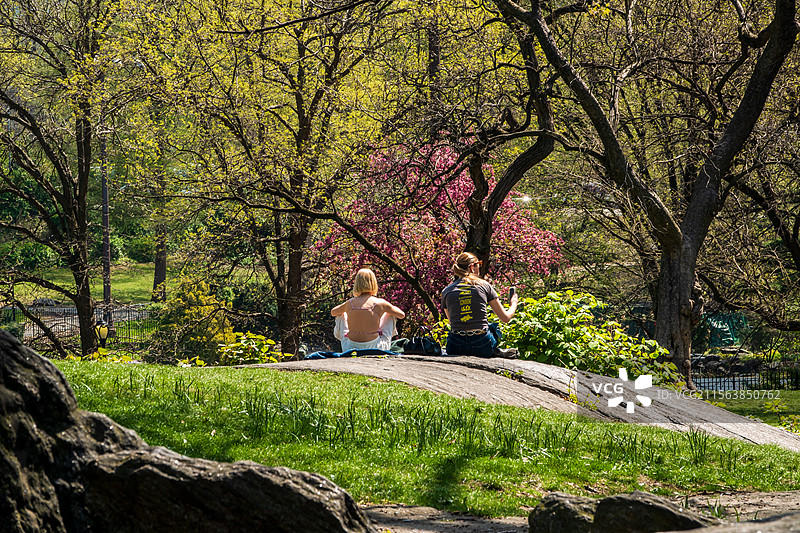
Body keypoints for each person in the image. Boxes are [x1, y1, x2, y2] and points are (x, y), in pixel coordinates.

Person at [441, 252, 519, 358]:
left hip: (455, 346)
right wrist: (514, 304)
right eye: (479, 264)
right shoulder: (484, 285)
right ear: (472, 267)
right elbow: (505, 318)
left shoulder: (446, 291)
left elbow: (452, 322)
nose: (480, 268)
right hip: (482, 345)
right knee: (493, 328)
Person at [331, 268, 406, 352]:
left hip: (349, 348)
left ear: (357, 284)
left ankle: (346, 337)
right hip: (376, 348)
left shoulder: (350, 303)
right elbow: (401, 315)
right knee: (389, 314)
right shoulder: (380, 303)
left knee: (341, 315)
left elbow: (333, 312)